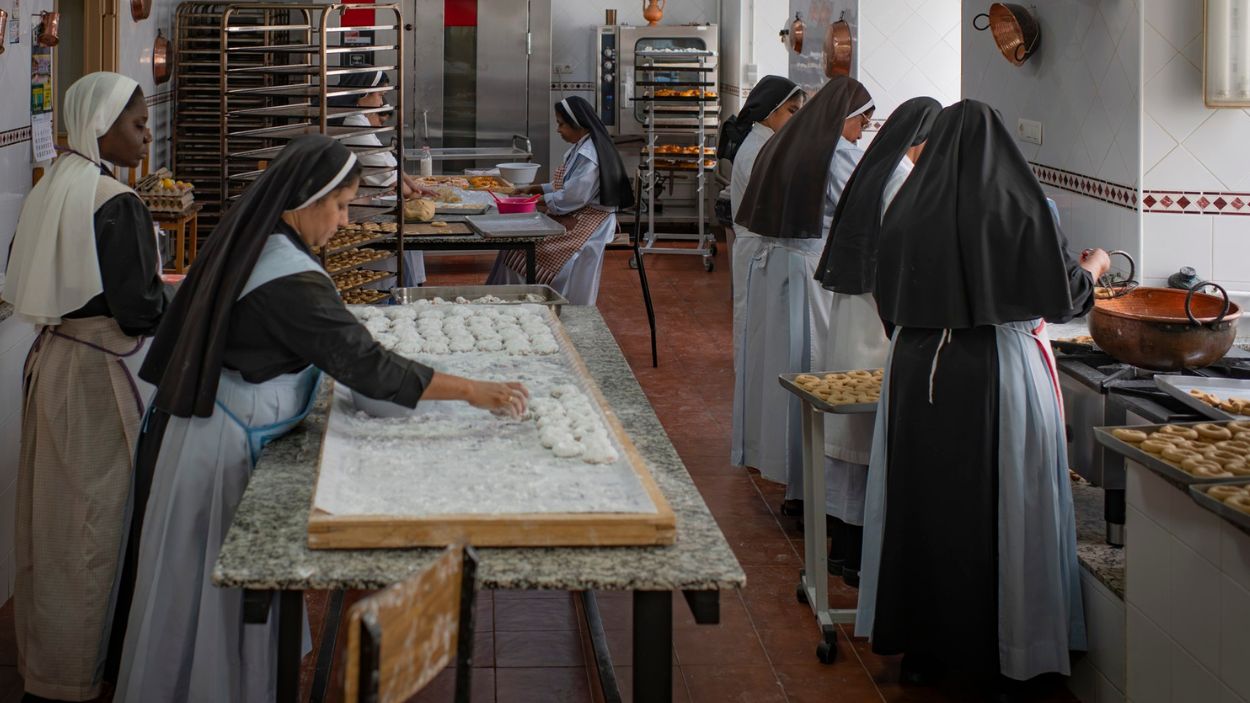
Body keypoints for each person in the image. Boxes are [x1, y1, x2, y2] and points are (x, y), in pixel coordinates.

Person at [116, 136, 529, 703]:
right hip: (218, 457)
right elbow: (366, 365)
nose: (342, 221)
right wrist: (471, 391)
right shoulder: (286, 274)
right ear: (305, 198)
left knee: (215, 609)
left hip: (220, 430)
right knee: (209, 605)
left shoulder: (264, 238)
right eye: (339, 207)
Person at [856, 100, 1110, 687]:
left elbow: (886, 298)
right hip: (996, 368)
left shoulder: (906, 206)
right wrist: (1093, 268)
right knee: (999, 504)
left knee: (921, 504)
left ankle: (923, 648)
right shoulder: (1020, 205)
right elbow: (1064, 298)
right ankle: (1003, 650)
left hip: (917, 368)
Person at [3, 71, 167, 703]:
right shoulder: (115, 202)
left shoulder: (53, 189)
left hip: (52, 368)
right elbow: (139, 309)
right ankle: (84, 672)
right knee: (96, 527)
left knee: (55, 523)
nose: (146, 133)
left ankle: (50, 665)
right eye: (136, 122)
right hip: (97, 378)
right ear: (101, 125)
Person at [811, 96, 942, 587]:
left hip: (854, 313)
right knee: (869, 444)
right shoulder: (901, 181)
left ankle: (845, 549)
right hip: (875, 322)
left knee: (854, 448)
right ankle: (861, 555)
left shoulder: (875, 169)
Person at [732, 76, 874, 516]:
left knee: (780, 368)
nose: (860, 134)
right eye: (861, 125)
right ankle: (808, 484)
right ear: (846, 119)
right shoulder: (839, 153)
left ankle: (791, 474)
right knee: (810, 370)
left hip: (777, 269)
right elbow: (862, 210)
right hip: (810, 271)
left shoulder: (787, 141)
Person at [486, 96, 633, 305]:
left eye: (561, 124)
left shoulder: (589, 155)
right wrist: (532, 189)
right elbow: (565, 185)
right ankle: (504, 302)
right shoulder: (581, 147)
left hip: (589, 224)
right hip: (577, 214)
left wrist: (535, 201)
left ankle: (523, 304)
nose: (558, 129)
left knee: (522, 251)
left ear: (578, 125)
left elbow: (573, 197)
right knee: (513, 247)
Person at [329, 67, 432, 287]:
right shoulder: (352, 124)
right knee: (377, 278)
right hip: (353, 213)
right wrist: (413, 194)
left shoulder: (359, 119)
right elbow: (385, 175)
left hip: (363, 207)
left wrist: (414, 187)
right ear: (362, 94)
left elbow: (388, 162)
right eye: (379, 94)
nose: (382, 100)